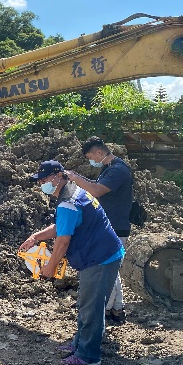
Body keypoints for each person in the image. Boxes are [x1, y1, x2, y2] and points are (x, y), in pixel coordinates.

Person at [19, 161, 124, 365]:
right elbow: (62, 226)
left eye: (45, 179)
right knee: (88, 303)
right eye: (40, 181)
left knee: (91, 306)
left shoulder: (68, 202)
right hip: (103, 252)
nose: (42, 184)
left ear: (58, 176)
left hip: (100, 258)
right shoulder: (75, 191)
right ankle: (79, 343)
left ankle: (88, 355)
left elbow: (63, 240)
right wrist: (36, 236)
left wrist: (50, 267)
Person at [66, 137, 133, 323]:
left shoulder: (118, 170)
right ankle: (116, 309)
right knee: (112, 268)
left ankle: (105, 310)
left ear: (99, 152)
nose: (90, 160)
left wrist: (75, 178)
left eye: (90, 156)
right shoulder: (109, 168)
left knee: (107, 269)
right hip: (110, 225)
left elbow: (95, 190)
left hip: (116, 226)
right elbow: (93, 185)